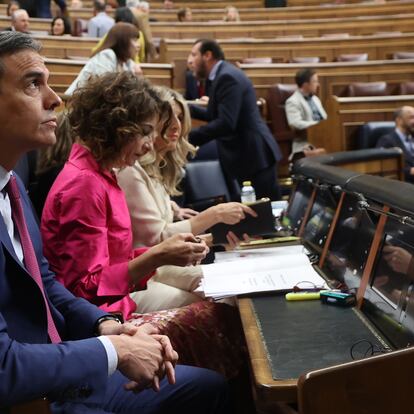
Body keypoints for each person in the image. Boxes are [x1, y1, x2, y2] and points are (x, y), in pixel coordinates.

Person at [0, 31, 229, 413]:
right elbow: (9, 364)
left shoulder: (14, 187)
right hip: (36, 391)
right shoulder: (82, 184)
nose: (55, 99)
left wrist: (104, 326)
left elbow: (48, 285)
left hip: (71, 346)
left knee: (211, 386)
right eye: (32, 84)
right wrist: (112, 347)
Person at [42, 72, 246, 378]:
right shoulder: (84, 184)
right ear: (118, 128)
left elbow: (113, 260)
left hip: (117, 305)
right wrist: (158, 254)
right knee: (221, 315)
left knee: (224, 303)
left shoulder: (101, 172)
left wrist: (163, 252)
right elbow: (84, 290)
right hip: (100, 322)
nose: (151, 145)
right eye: (146, 132)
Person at [117, 86, 256, 248]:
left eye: (181, 118)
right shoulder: (130, 169)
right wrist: (215, 214)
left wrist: (215, 238)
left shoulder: (158, 169)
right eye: (169, 117)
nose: (177, 126)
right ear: (150, 123)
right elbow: (157, 239)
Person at [189, 39, 282, 201]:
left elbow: (226, 123)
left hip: (254, 155)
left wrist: (188, 138)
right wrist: (185, 109)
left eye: (194, 54)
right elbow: (214, 114)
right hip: (248, 155)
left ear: (208, 55)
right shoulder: (221, 75)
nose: (189, 61)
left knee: (266, 212)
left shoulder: (227, 77)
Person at [65, 22, 142, 96]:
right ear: (123, 41)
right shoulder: (106, 56)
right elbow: (105, 89)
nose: (138, 45)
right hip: (75, 102)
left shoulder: (126, 62)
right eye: (135, 40)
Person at [285, 68, 327, 156]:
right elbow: (295, 123)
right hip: (306, 143)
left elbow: (325, 119)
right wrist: (318, 125)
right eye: (315, 81)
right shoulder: (292, 101)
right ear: (305, 84)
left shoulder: (316, 99)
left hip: (324, 138)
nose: (318, 85)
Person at [376, 106, 414, 183]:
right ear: (399, 120)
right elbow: (385, 169)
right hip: (403, 185)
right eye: (411, 117)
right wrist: (410, 171)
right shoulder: (387, 141)